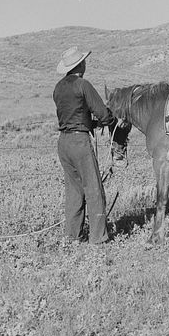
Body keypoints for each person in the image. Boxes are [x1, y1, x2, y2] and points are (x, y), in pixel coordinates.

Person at [53, 46, 117, 245]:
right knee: (94, 189)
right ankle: (98, 238)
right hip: (80, 142)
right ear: (81, 64)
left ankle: (72, 237)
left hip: (63, 143)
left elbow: (73, 114)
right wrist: (111, 120)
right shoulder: (83, 85)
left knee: (74, 190)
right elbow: (103, 114)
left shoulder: (58, 88)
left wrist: (92, 123)